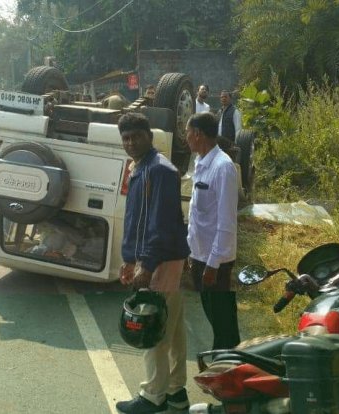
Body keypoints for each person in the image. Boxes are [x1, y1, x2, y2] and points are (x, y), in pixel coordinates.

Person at [116, 112, 191, 414]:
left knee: (152, 327)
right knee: (172, 329)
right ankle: (175, 392)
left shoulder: (158, 171)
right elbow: (138, 219)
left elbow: (158, 224)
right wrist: (129, 258)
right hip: (158, 256)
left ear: (150, 136)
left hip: (160, 259)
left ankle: (152, 396)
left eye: (136, 136)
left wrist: (145, 264)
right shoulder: (141, 167)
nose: (131, 143)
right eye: (125, 139)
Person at [185, 112, 240, 350]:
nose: (185, 138)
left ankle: (229, 366)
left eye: (187, 133)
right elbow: (198, 215)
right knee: (214, 316)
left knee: (223, 321)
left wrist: (213, 264)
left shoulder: (223, 167)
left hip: (214, 262)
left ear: (197, 134)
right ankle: (226, 365)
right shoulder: (201, 161)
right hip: (200, 256)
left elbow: (226, 222)